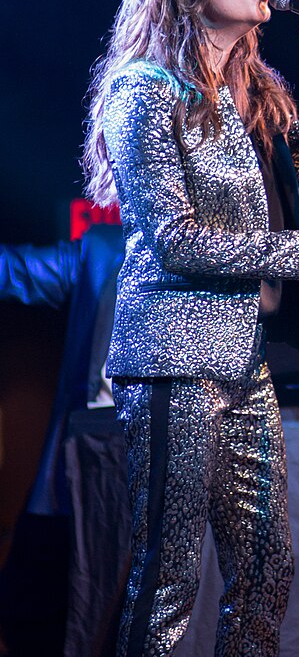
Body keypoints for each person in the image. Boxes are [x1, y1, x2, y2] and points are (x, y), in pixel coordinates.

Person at [82, 0, 299, 657]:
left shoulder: (256, 87)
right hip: (175, 363)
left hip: (243, 363)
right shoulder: (144, 91)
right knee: (170, 577)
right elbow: (174, 240)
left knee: (268, 568)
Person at [0, 223, 124, 656]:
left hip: (161, 445)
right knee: (31, 591)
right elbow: (18, 271)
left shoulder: (214, 255)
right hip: (82, 448)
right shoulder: (104, 247)